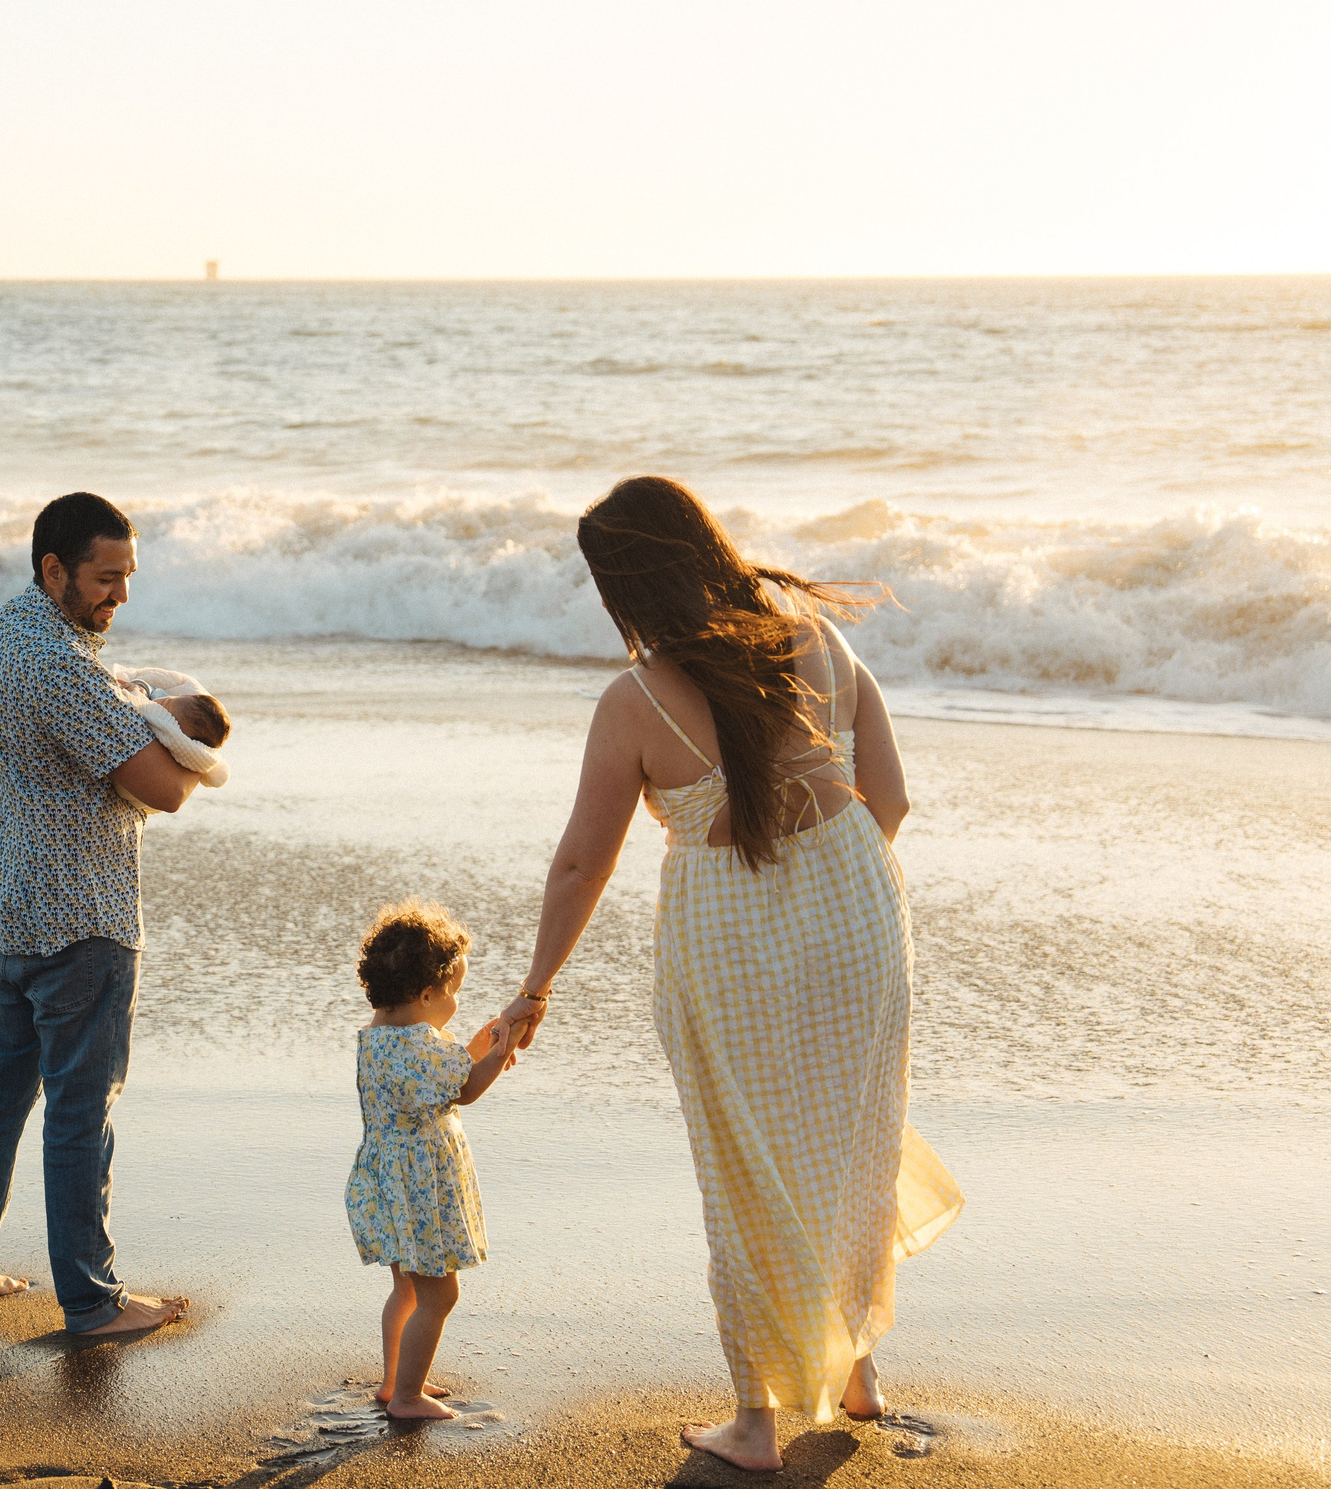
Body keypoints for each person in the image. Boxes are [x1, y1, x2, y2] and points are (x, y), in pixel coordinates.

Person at [495, 476, 961, 1473]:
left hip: (730, 942)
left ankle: (753, 1421)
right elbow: (891, 798)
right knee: (852, 1139)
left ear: (628, 585)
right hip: (857, 914)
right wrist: (825, 885)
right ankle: (858, 1368)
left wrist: (535, 985)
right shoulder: (823, 646)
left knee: (745, 1163)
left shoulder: (633, 701)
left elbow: (583, 860)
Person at [0, 492, 204, 1336]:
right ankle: (90, 1301)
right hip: (77, 916)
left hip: (2, 898)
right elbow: (164, 790)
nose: (118, 597)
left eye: (127, 578)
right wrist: (194, 746)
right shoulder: (60, 663)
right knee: (81, 1111)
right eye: (103, 579)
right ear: (54, 570)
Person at [343, 899, 515, 1420]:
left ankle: (396, 1380)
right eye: (454, 992)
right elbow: (464, 1088)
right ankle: (407, 1397)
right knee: (440, 1296)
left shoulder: (376, 1039)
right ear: (424, 995)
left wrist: (483, 1045)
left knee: (407, 1289)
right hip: (421, 1190)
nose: (456, 1003)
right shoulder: (421, 1046)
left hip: (388, 1184)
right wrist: (497, 1055)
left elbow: (450, 1065)